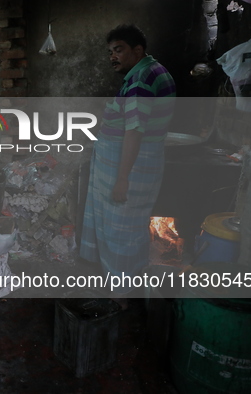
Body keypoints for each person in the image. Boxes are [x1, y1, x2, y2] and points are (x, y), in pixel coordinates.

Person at [79, 25, 176, 299]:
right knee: (122, 226)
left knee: (121, 231)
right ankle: (120, 287)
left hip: (127, 167)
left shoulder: (141, 80)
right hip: (130, 162)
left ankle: (121, 297)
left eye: (119, 49)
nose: (113, 56)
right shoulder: (151, 71)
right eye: (110, 51)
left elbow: (134, 131)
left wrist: (123, 179)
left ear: (138, 50)